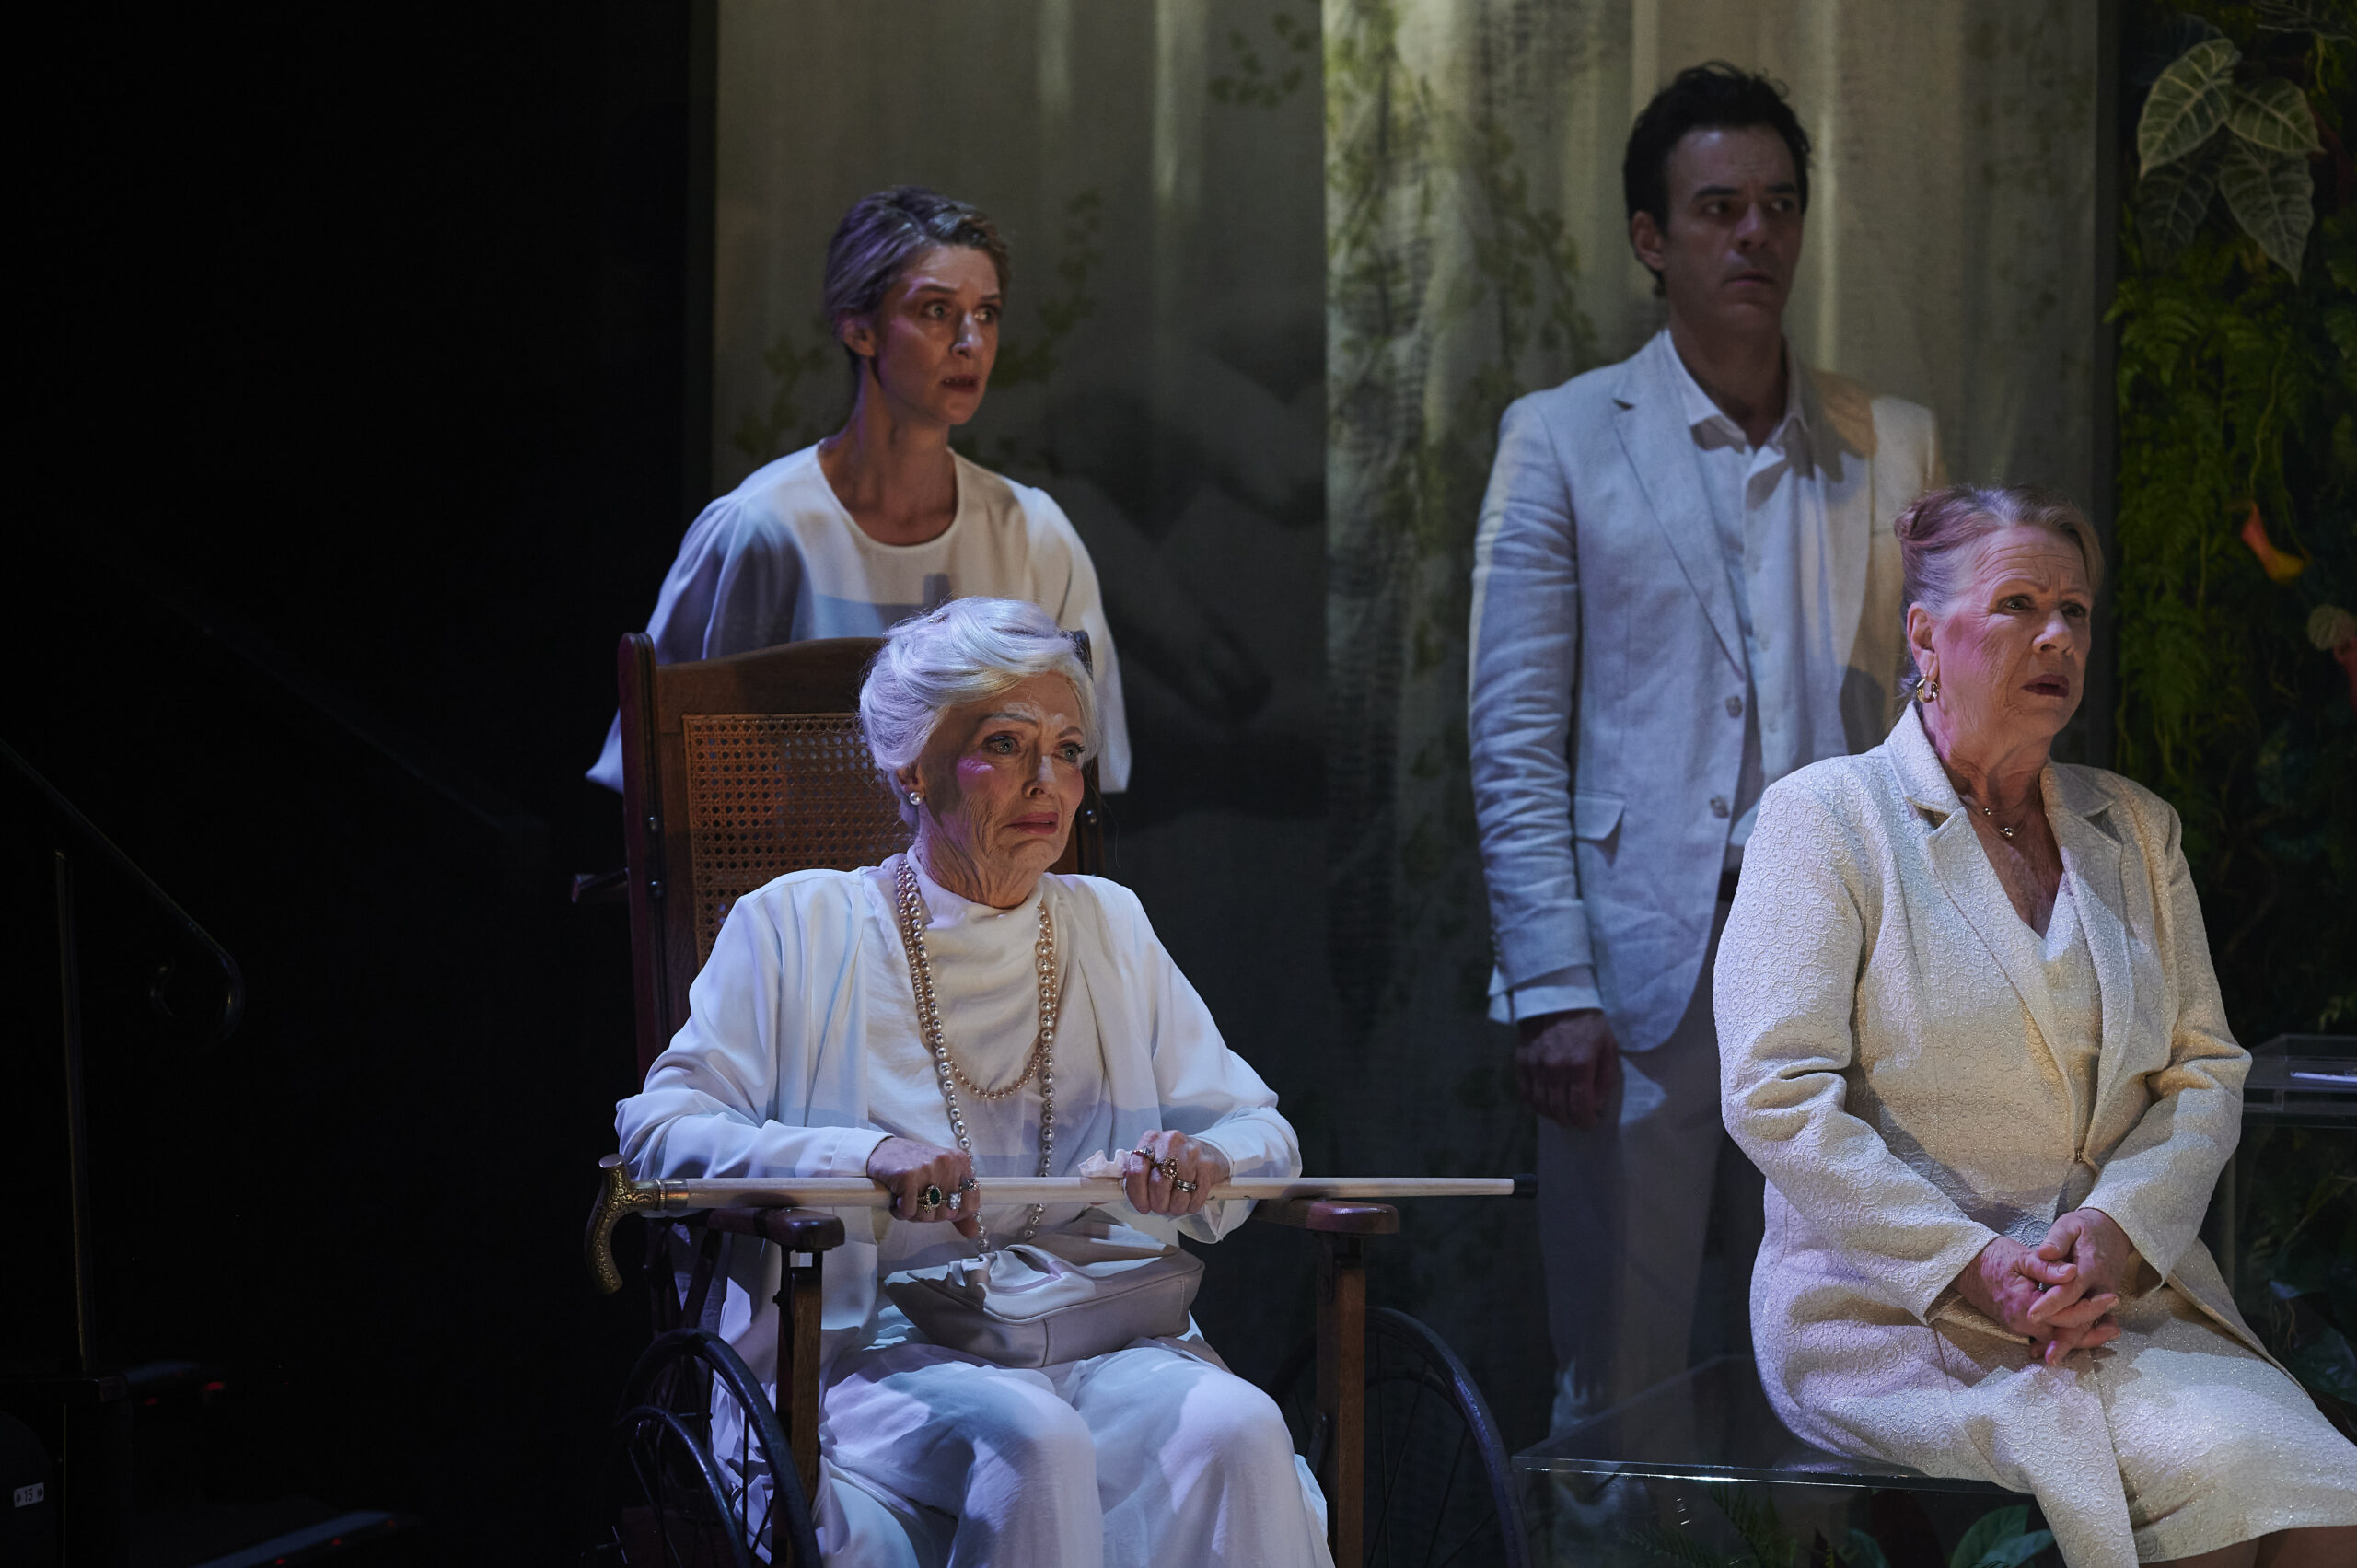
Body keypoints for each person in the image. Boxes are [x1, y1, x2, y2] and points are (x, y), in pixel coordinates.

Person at [1717, 487, 2357, 1568]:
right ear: (1926, 632)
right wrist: (1977, 1264)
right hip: (1899, 1314)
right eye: (2018, 603)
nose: (2057, 634)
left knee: (2330, 1500)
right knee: (2215, 1502)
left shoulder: (2135, 828)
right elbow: (1774, 1091)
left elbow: (2204, 1068)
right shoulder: (1826, 818)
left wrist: (2117, 1231)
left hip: (2121, 1304)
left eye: (2074, 608)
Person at [614, 598, 1327, 1568]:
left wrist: (1204, 1157)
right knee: (1029, 1441)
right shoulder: (797, 923)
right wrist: (859, 1155)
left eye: (1068, 750)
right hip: (869, 1353)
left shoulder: (1107, 924)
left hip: (1086, 1334)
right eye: (1006, 742)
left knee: (1238, 1424)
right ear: (910, 767)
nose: (1049, 781)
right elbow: (660, 1129)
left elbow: (1260, 1130)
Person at [1467, 63, 1943, 1430]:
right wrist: (1552, 981)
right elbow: (1510, 736)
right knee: (1623, 1371)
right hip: (1640, 964)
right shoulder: (1561, 439)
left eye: (1779, 207)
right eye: (1720, 207)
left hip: (1840, 956)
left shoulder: (1888, 443)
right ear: (1650, 237)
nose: (1755, 237)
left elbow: (1926, 719)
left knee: (1839, 1352)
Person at [588, 186, 1131, 794]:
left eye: (987, 313)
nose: (970, 342)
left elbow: (1086, 767)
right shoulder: (764, 529)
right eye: (937, 311)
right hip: (794, 880)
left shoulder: (1031, 532)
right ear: (859, 328)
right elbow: (665, 771)